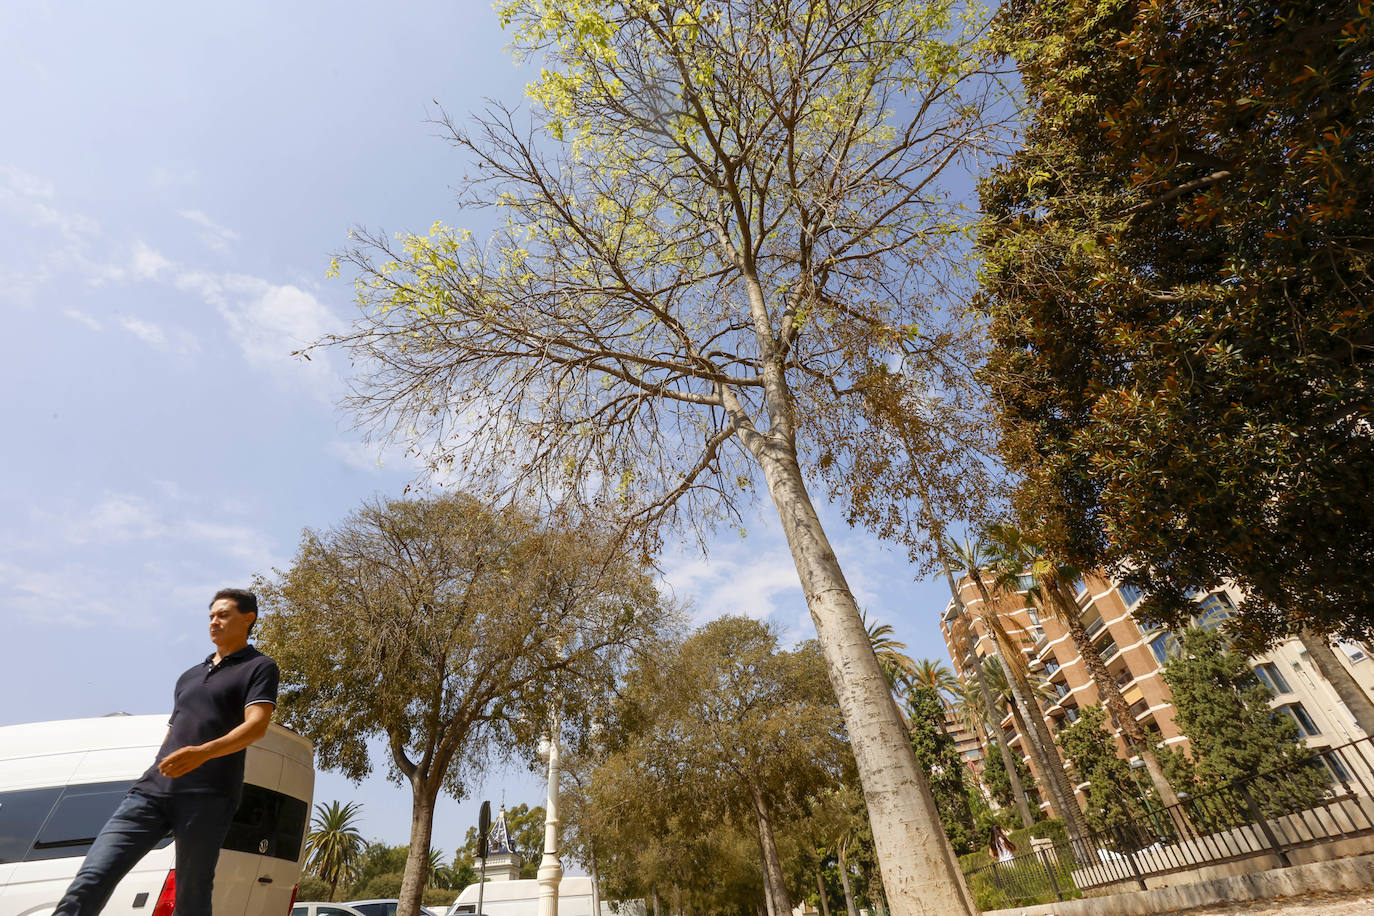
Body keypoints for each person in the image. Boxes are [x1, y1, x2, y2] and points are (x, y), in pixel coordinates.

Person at [53, 588, 279, 915]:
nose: (214, 622)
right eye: (211, 616)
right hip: (151, 792)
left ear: (248, 619)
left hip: (209, 794)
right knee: (93, 875)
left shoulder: (259, 667)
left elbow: (256, 725)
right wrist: (157, 767)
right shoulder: (190, 676)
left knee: (192, 893)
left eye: (224, 615)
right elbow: (173, 733)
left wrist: (203, 753)